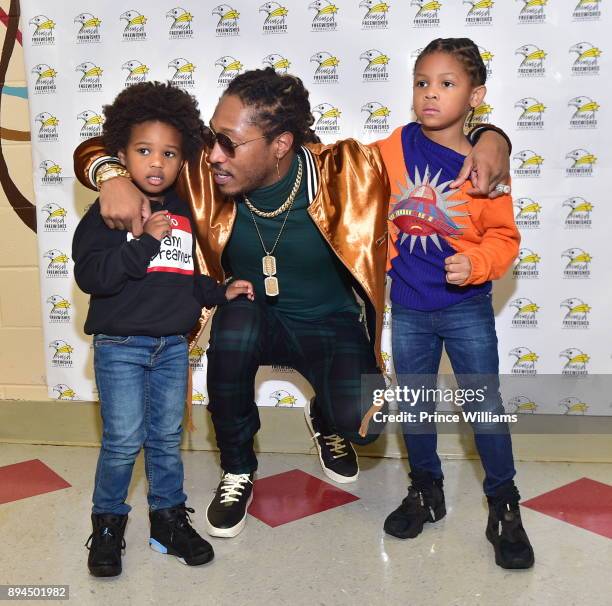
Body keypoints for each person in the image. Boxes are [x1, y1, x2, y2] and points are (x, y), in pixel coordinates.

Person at [73, 68, 512, 540]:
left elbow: (428, 141)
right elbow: (106, 147)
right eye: (211, 140)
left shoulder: (348, 170)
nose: (214, 154)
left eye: (229, 143)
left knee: (368, 423)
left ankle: (326, 418)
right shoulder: (204, 172)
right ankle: (238, 469)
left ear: (280, 144)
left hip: (329, 320)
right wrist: (110, 174)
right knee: (233, 331)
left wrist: (492, 138)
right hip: (254, 313)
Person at [72, 81, 254, 576]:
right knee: (123, 441)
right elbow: (93, 276)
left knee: (166, 439)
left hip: (171, 348)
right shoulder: (110, 213)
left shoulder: (181, 214)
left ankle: (167, 521)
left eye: (169, 153)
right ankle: (108, 525)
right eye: (144, 151)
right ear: (121, 156)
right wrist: (142, 243)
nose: (157, 162)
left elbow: (184, 280)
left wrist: (220, 291)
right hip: (122, 347)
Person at [376, 38, 534, 569]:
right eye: (422, 82)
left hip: (466, 308)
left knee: (484, 408)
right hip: (411, 308)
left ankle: (504, 504)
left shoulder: (483, 164)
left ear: (475, 96)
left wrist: (478, 263)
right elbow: (343, 178)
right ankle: (426, 490)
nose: (430, 94)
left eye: (447, 84)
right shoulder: (390, 150)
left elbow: (505, 237)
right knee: (416, 405)